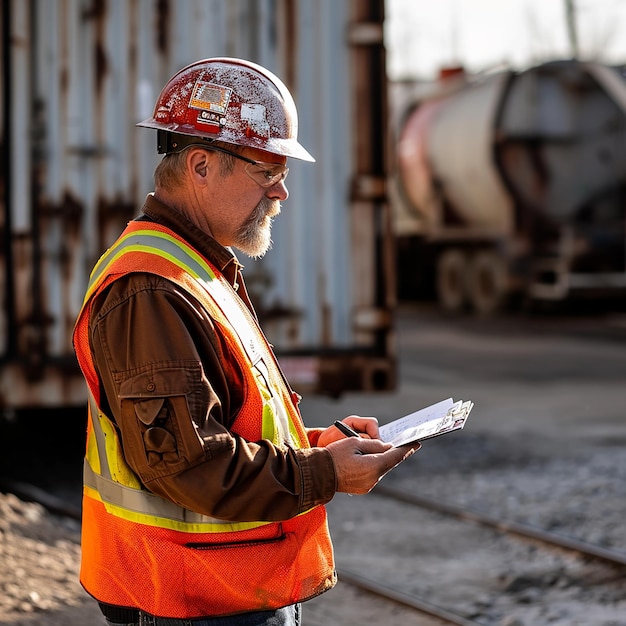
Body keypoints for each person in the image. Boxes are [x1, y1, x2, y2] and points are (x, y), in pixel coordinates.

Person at [73, 57, 419, 626]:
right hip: (190, 601)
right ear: (202, 165)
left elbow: (226, 427)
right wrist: (325, 473)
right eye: (266, 170)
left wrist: (320, 446)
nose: (281, 191)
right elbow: (188, 467)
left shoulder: (198, 269)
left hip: (218, 593)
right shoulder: (152, 290)